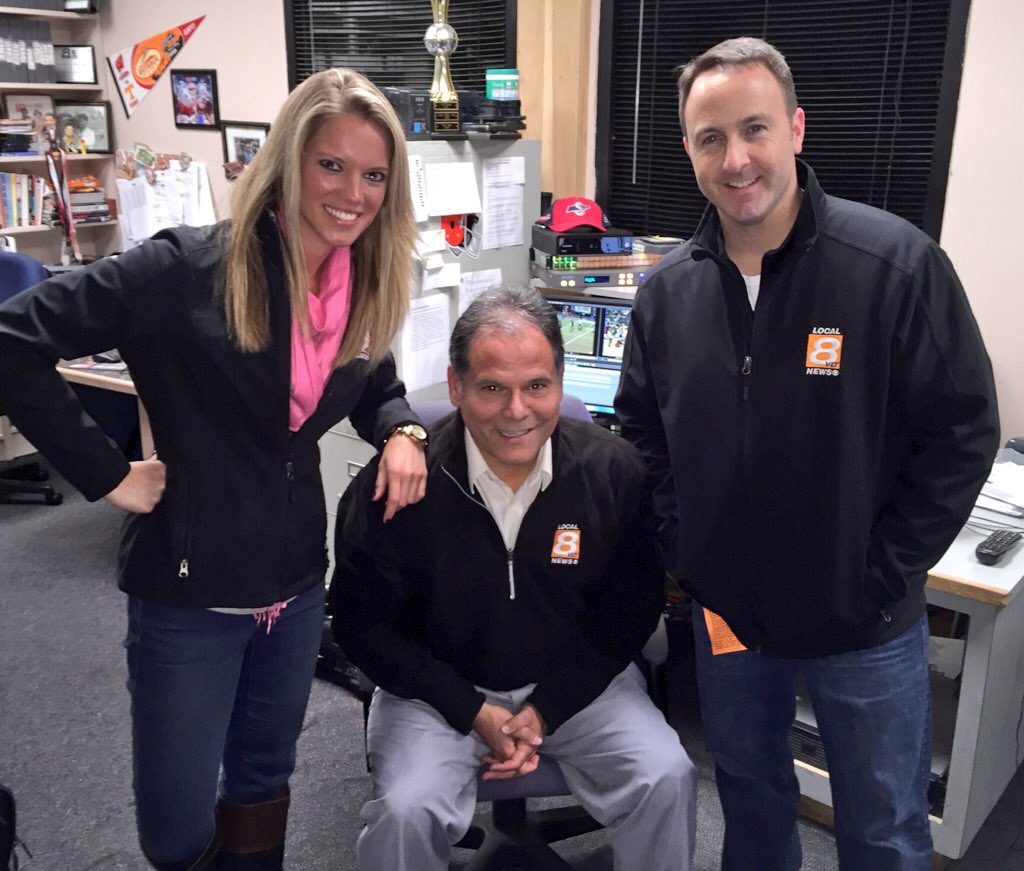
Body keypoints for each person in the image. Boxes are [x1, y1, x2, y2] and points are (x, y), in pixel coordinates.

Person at [0, 68, 428, 870]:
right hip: (191, 592)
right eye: (331, 165)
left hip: (295, 585)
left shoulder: (360, 280)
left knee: (263, 782)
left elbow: (374, 378)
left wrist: (401, 428)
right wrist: (108, 473)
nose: (353, 193)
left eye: (374, 175)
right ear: (290, 160)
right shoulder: (187, 268)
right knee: (174, 827)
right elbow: (12, 340)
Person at [614, 37, 999, 871]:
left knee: (884, 827)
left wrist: (882, 570)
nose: (736, 158)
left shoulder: (894, 266)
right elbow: (642, 430)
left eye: (754, 128)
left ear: (795, 128)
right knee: (748, 794)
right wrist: (689, 549)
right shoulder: (668, 291)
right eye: (711, 138)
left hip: (863, 619)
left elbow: (964, 431)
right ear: (689, 150)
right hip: (729, 614)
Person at [331, 285, 697, 871]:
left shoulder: (615, 472)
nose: (517, 411)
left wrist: (548, 707)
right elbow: (361, 626)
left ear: (560, 383)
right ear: (456, 387)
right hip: (436, 695)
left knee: (667, 776)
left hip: (575, 687)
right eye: (492, 388)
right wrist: (470, 708)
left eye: (536, 386)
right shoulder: (395, 488)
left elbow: (628, 611)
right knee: (404, 812)